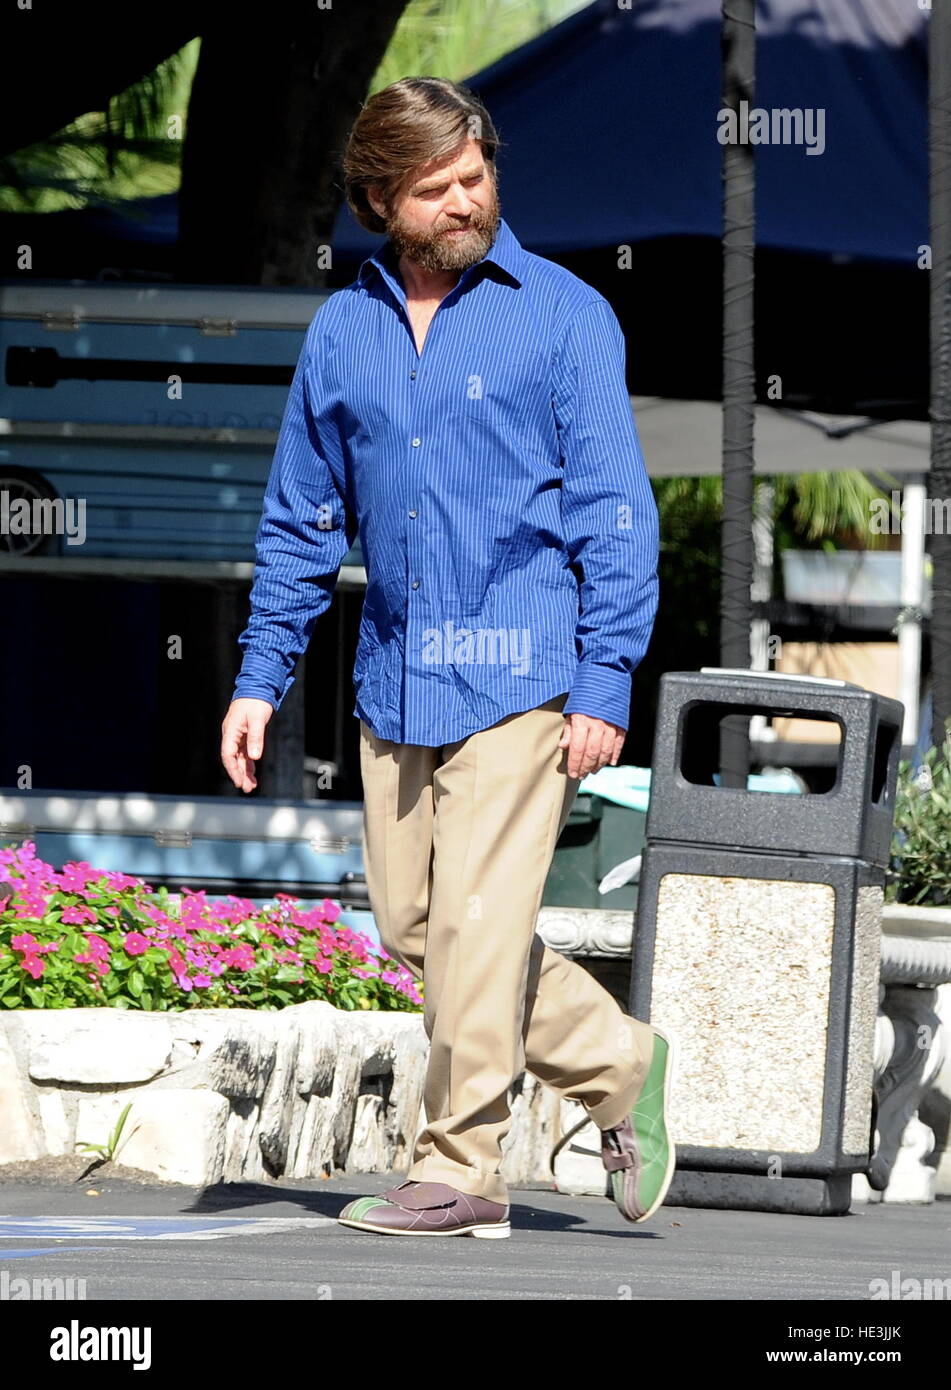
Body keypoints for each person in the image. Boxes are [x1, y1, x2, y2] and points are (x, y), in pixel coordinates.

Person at [220, 76, 677, 1240]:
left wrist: (605, 679)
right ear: (380, 199)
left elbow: (615, 513)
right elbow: (301, 521)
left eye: (476, 176)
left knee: (476, 924)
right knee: (419, 928)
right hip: (397, 677)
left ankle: (461, 1168)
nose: (466, 200)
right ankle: (620, 1060)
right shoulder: (343, 331)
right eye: (437, 188)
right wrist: (261, 677)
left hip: (526, 669)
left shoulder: (565, 315)